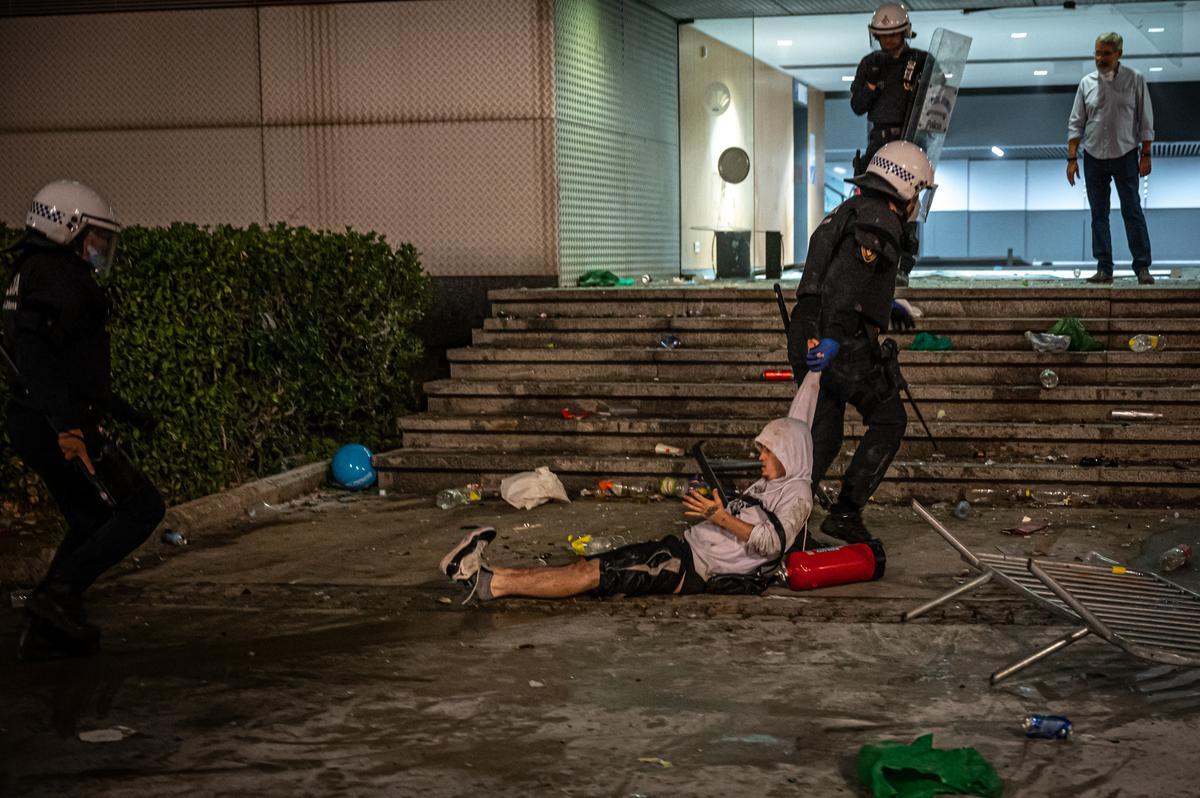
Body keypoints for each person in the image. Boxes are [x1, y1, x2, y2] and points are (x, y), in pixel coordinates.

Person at [439, 374, 820, 602]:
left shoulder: (797, 494)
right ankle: (489, 579)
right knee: (590, 569)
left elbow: (771, 544)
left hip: (688, 567)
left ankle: (485, 580)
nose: (761, 457)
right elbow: (799, 418)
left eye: (768, 451)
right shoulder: (774, 482)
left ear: (790, 452)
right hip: (682, 550)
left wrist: (718, 515)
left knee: (592, 574)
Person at [3, 180, 165, 658]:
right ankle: (57, 596)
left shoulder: (27, 271)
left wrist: (118, 410)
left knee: (89, 516)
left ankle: (50, 618)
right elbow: (35, 353)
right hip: (55, 424)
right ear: (67, 227)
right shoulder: (57, 275)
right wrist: (69, 426)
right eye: (93, 236)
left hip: (36, 420)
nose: (98, 248)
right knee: (142, 510)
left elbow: (57, 359)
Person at [787, 142, 936, 544]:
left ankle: (788, 524)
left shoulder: (852, 209)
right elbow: (843, 285)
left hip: (807, 327)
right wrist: (835, 337)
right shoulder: (878, 221)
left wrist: (887, 307)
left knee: (825, 432)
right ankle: (846, 513)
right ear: (904, 188)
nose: (918, 201)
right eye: (919, 191)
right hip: (836, 336)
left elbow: (841, 279)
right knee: (889, 418)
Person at [1067, 32, 1155, 285]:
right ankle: (1104, 268)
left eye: (1106, 53)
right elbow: (1076, 123)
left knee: (1132, 211)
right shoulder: (1086, 83)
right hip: (1093, 156)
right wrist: (1071, 159)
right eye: (1097, 52)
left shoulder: (1135, 80)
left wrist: (1146, 155)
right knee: (1098, 214)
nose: (1100, 58)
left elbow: (1145, 121)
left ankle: (1142, 267)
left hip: (1126, 154)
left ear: (1119, 54)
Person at [850, 2, 928, 286]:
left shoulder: (920, 60)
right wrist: (870, 85)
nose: (888, 40)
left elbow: (937, 100)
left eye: (894, 34)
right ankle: (872, 261)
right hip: (879, 142)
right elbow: (857, 106)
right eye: (883, 35)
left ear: (905, 32)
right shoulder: (869, 64)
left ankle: (903, 265)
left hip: (910, 140)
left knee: (907, 205)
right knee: (874, 203)